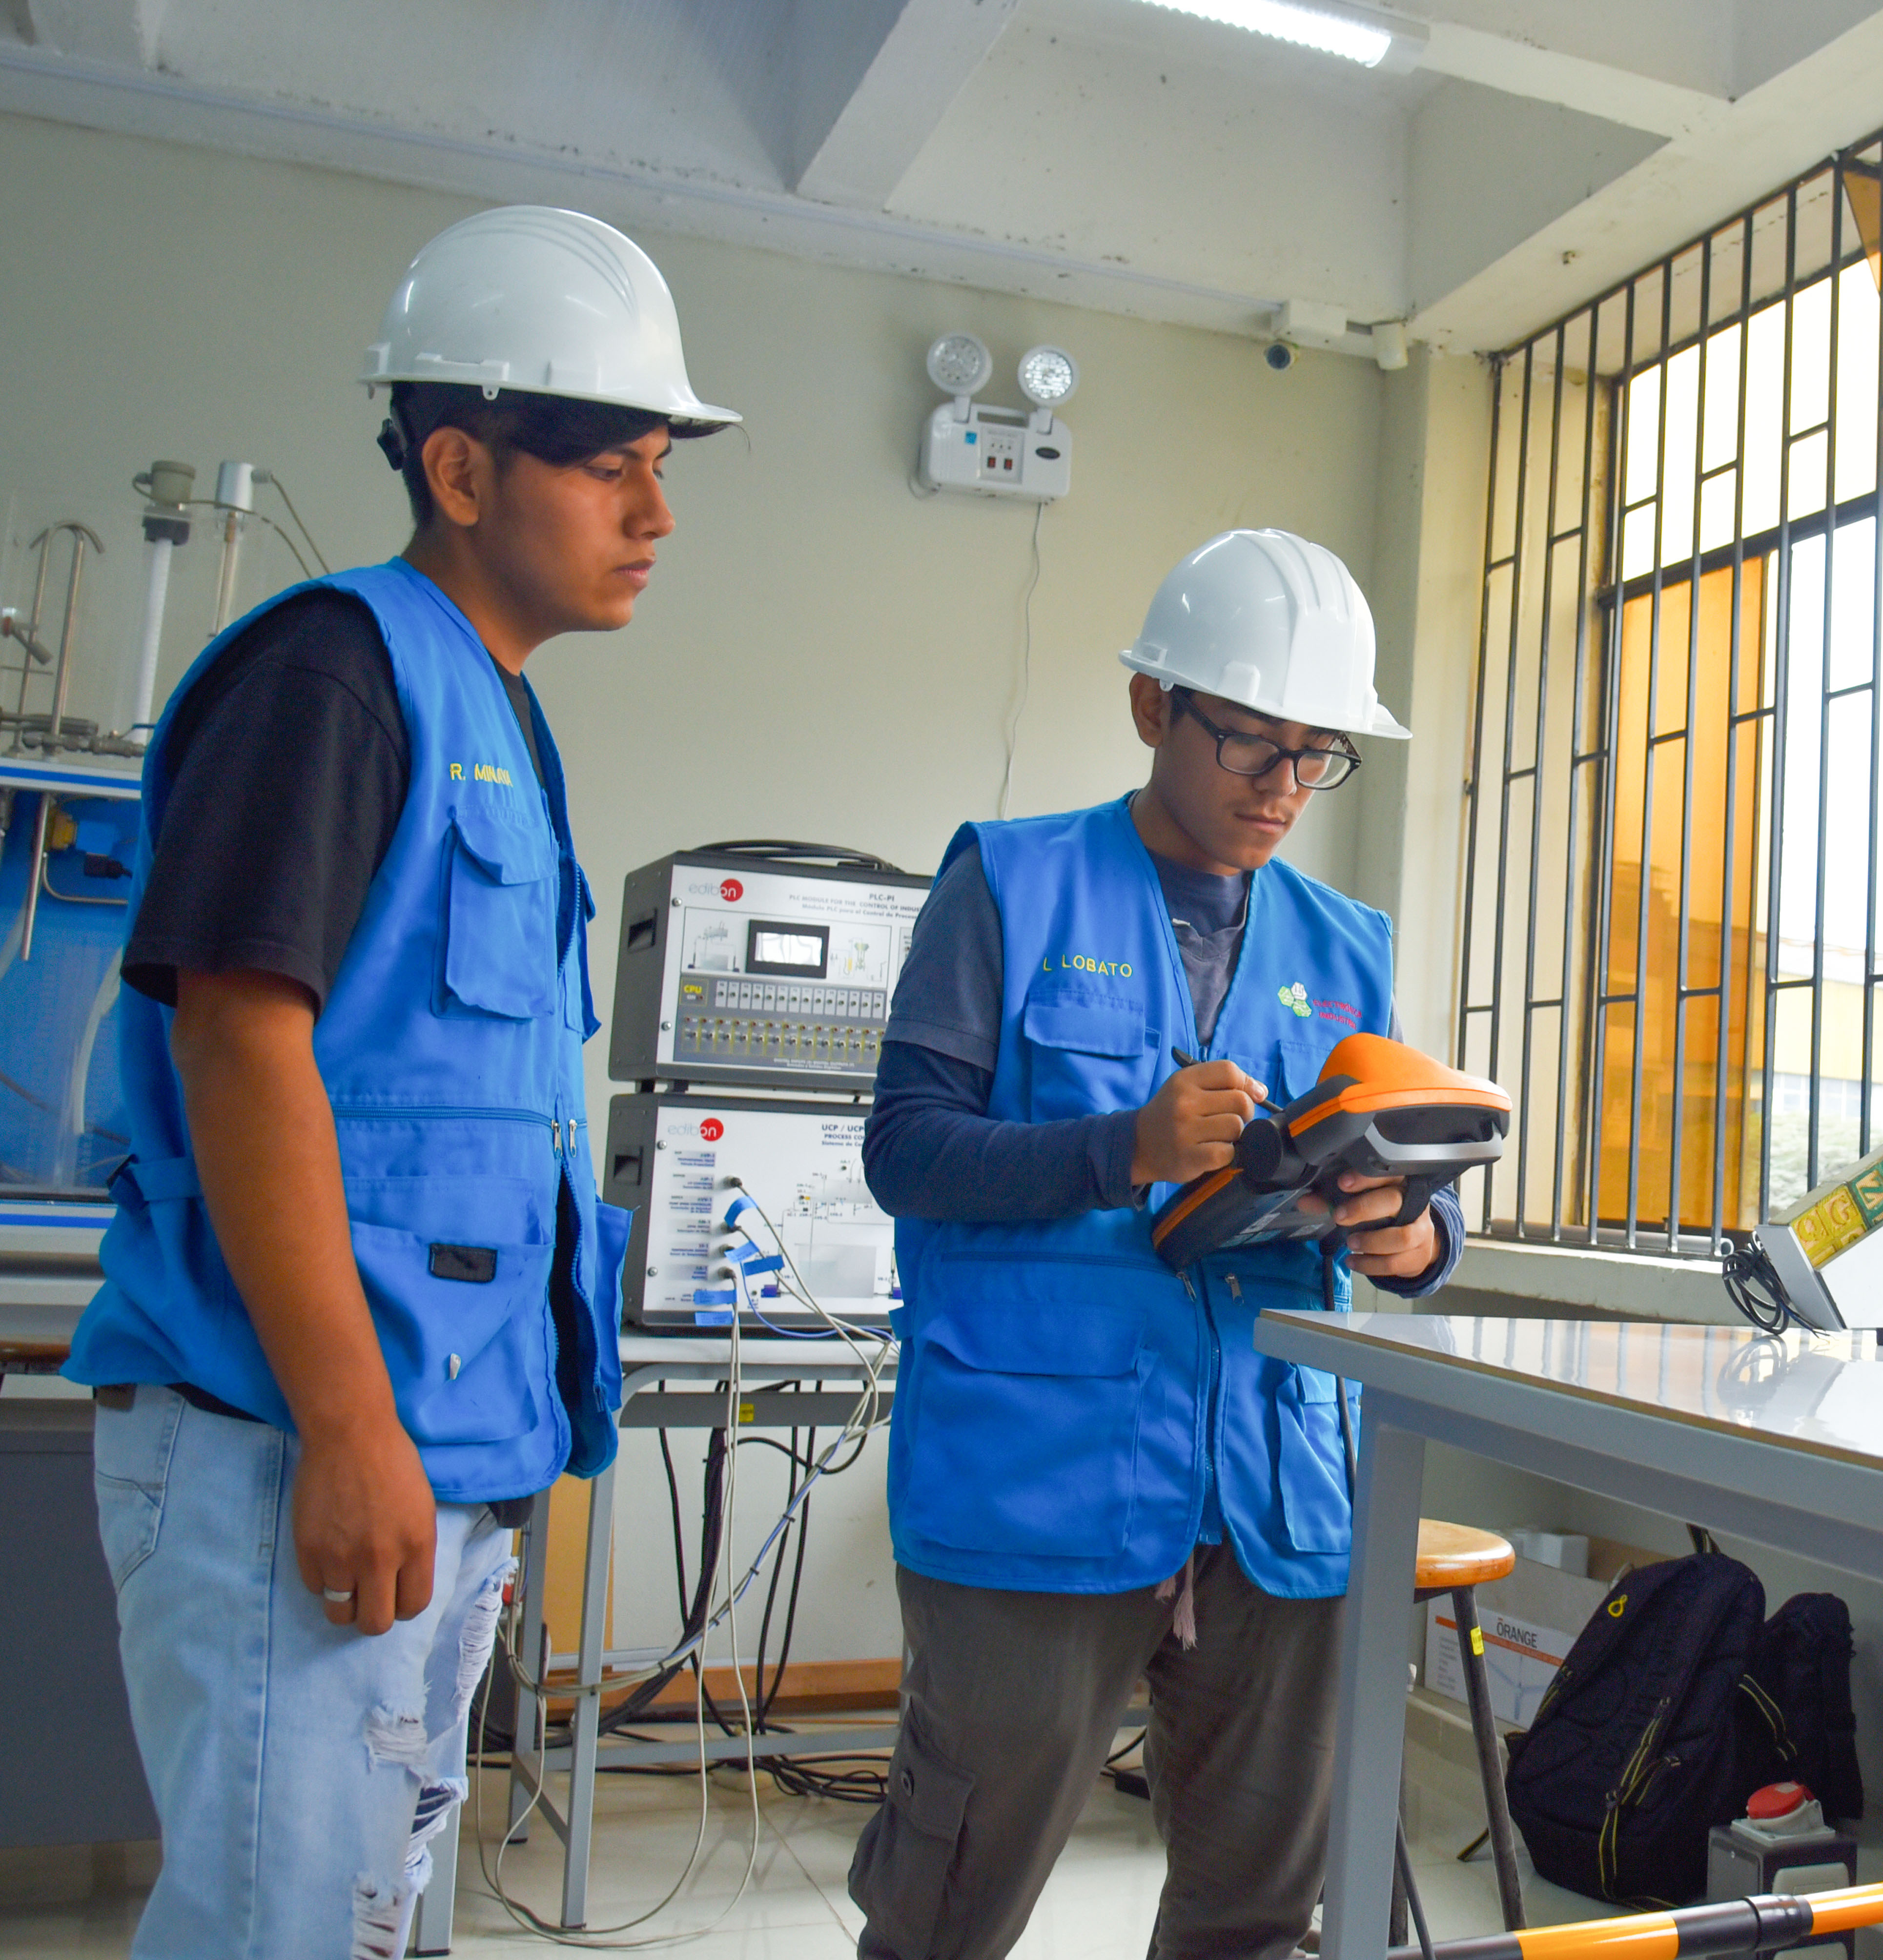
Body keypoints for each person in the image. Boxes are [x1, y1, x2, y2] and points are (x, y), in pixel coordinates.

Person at [62, 205, 737, 1959]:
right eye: (614, 470)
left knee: (357, 1926)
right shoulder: (332, 675)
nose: (658, 516)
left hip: (436, 1455)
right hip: (293, 1437)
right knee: (273, 1931)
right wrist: (354, 1430)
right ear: (459, 463)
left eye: (663, 470)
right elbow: (239, 1036)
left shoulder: (494, 714)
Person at [850, 528, 1461, 1960]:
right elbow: (906, 1151)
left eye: (1319, 758)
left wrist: (1408, 1234)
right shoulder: (1008, 885)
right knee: (953, 1896)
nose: (1287, 791)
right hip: (1039, 1478)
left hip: (1276, 1490)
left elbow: (1406, 1198)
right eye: (1254, 747)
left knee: (1257, 1908)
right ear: (1153, 710)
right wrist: (1122, 1147)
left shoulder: (1346, 939)